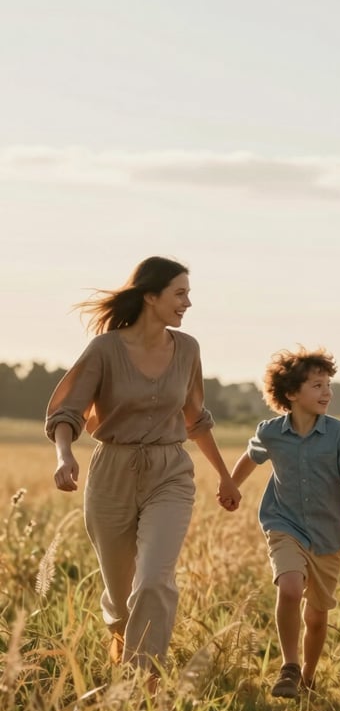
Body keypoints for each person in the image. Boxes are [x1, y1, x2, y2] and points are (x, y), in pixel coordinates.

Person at [45, 256, 241, 676]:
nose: (188, 303)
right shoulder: (106, 349)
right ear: (151, 297)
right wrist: (65, 457)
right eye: (180, 293)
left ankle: (142, 683)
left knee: (153, 580)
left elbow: (195, 418)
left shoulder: (187, 349)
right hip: (111, 473)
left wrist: (225, 476)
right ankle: (121, 641)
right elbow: (67, 413)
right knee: (120, 598)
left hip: (170, 471)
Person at [230, 347, 340, 699]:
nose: (327, 392)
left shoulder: (339, 434)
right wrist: (231, 486)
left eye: (328, 385)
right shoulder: (271, 432)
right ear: (291, 394)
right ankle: (289, 666)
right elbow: (251, 458)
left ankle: (308, 676)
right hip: (284, 524)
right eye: (317, 385)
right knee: (291, 588)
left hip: (328, 534)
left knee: (318, 616)